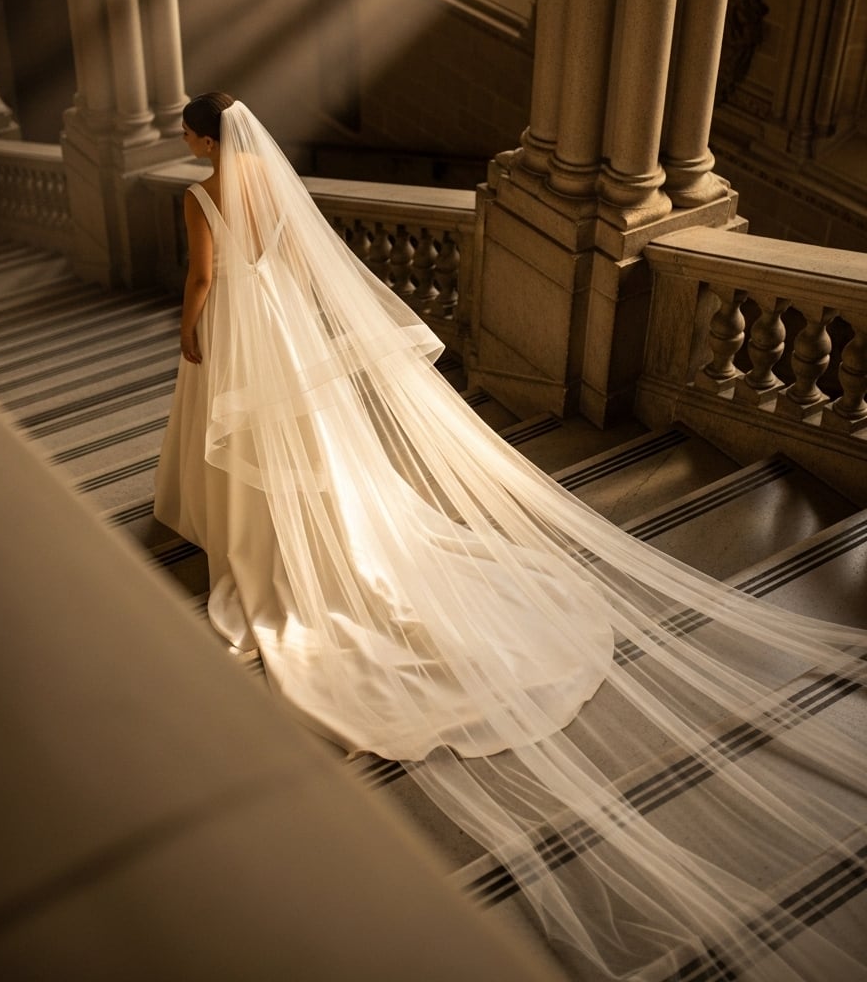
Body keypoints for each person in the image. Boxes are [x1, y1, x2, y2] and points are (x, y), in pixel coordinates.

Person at [155, 95, 866, 982]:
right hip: (284, 333)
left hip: (238, 329)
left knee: (252, 448)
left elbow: (203, 281)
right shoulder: (267, 174)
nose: (185, 145)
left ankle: (249, 538)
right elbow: (298, 259)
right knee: (313, 454)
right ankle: (313, 534)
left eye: (186, 134)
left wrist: (193, 334)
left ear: (198, 137)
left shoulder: (200, 194)